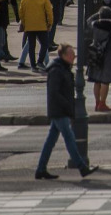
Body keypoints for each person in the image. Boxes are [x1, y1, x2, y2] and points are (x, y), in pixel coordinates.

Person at [34, 44, 98, 180]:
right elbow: (54, 92)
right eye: (70, 54)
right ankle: (82, 167)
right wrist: (67, 106)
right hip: (59, 110)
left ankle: (40, 169)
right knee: (69, 138)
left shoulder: (62, 68)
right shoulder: (57, 70)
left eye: (73, 53)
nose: (73, 56)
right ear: (63, 55)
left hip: (59, 109)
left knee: (50, 141)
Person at [87, 6, 111, 112]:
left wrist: (98, 14)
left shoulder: (95, 25)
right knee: (105, 81)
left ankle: (97, 103)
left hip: (96, 53)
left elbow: (89, 20)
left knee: (97, 81)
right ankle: (102, 103)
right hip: (108, 55)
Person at [19, 0, 54, 71]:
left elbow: (21, 13)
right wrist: (50, 23)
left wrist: (24, 22)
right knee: (45, 44)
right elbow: (49, 12)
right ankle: (40, 61)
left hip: (29, 26)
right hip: (41, 26)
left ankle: (33, 66)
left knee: (31, 46)